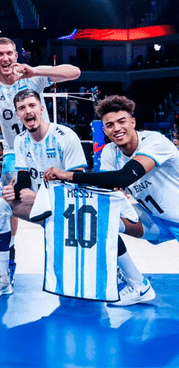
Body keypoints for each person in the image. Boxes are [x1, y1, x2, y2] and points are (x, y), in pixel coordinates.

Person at [0, 37, 81, 285]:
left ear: (16, 55)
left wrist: (37, 70)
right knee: (10, 193)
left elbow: (75, 72)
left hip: (47, 146)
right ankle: (10, 253)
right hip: (15, 150)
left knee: (67, 200)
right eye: (0, 54)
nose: (5, 58)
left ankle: (76, 255)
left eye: (9, 53)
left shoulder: (31, 76)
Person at [44, 95, 164, 306]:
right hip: (153, 220)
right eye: (109, 125)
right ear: (105, 130)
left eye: (121, 121)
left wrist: (70, 175)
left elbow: (123, 178)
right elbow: (106, 187)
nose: (116, 128)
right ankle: (138, 285)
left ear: (133, 122)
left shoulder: (154, 141)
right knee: (101, 220)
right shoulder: (110, 152)